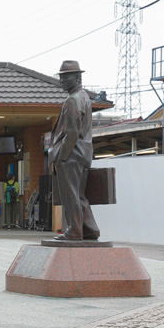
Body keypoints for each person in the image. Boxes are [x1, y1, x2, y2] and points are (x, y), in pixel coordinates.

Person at [48, 60, 100, 241]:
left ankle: (74, 231)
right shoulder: (84, 96)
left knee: (70, 195)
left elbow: (71, 132)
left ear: (77, 77)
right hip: (83, 153)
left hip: (72, 154)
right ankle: (90, 229)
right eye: (61, 77)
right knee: (79, 194)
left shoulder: (73, 99)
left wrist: (62, 156)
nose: (62, 81)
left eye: (66, 77)